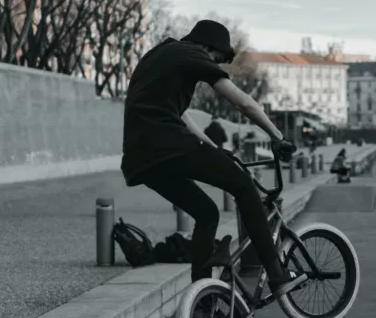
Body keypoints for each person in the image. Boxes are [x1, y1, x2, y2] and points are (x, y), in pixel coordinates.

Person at [120, 19, 306, 298]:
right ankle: (277, 273)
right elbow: (242, 101)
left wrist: (213, 149)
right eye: (217, 59)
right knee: (243, 186)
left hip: (141, 158)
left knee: (207, 213)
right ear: (209, 47)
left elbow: (180, 115)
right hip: (168, 143)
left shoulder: (157, 56)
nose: (216, 64)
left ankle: (202, 297)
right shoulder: (192, 54)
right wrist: (277, 136)